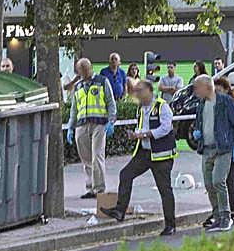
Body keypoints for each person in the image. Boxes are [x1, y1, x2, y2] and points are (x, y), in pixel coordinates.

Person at [99, 80, 178, 236]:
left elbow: (166, 128)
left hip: (161, 155)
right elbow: (143, 126)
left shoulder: (162, 106)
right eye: (136, 91)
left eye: (140, 90)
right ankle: (120, 211)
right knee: (125, 175)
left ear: (149, 91)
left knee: (164, 189)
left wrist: (146, 134)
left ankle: (170, 224)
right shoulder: (141, 109)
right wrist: (136, 134)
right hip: (144, 152)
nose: (138, 94)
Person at [191, 75, 234, 232]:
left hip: (223, 148)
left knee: (219, 181)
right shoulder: (201, 104)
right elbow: (199, 122)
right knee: (209, 184)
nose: (195, 91)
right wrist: (197, 131)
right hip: (207, 148)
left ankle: (226, 216)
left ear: (207, 87)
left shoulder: (226, 102)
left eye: (197, 87)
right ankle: (217, 216)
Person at [67, 58, 117, 198]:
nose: (84, 72)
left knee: (97, 156)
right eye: (81, 70)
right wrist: (71, 127)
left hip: (99, 124)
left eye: (86, 69)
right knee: (86, 159)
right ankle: (90, 188)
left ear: (91, 68)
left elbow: (110, 102)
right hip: (81, 125)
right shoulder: (78, 86)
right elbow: (74, 109)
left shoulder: (102, 81)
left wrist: (111, 121)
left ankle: (99, 189)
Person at [215, 76, 234, 225]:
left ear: (227, 90)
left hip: (232, 147)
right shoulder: (215, 105)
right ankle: (219, 212)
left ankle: (232, 212)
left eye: (219, 90)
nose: (217, 94)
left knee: (229, 180)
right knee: (218, 181)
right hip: (219, 148)